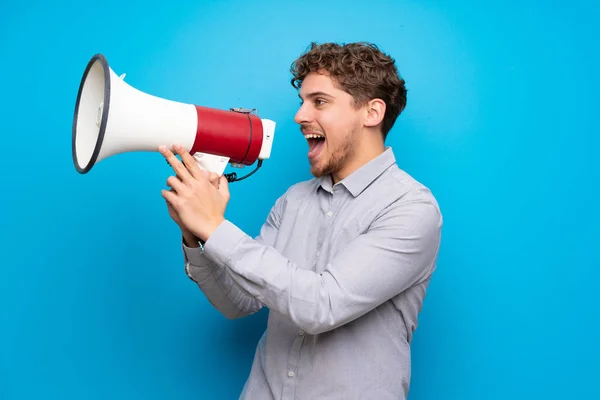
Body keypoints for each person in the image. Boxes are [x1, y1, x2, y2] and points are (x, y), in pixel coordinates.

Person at [159, 42, 443, 400]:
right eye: (302, 101)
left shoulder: (410, 208)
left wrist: (216, 227)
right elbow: (239, 303)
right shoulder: (294, 200)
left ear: (371, 112)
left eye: (319, 102)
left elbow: (322, 305)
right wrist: (195, 233)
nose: (299, 116)